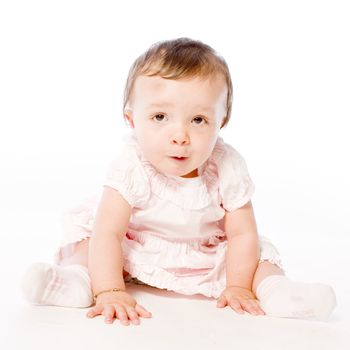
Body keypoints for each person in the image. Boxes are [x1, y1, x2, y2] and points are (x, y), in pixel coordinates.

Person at [22, 37, 336, 326]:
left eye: (198, 120)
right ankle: (76, 282)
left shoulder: (226, 166)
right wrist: (110, 290)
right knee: (89, 243)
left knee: (259, 257)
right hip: (132, 250)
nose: (180, 137)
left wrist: (239, 286)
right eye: (160, 117)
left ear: (221, 121)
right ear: (132, 120)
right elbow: (109, 232)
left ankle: (277, 290)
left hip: (205, 254)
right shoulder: (132, 166)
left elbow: (241, 234)